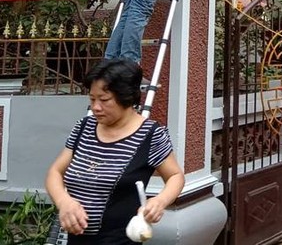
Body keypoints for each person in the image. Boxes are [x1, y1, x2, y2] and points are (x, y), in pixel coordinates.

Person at [45, 59, 185, 244]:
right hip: (76, 239)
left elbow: (175, 176)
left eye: (104, 100)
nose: (95, 107)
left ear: (126, 97)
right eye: (92, 99)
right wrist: (64, 202)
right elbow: (55, 172)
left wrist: (159, 201)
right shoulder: (83, 127)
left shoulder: (150, 135)